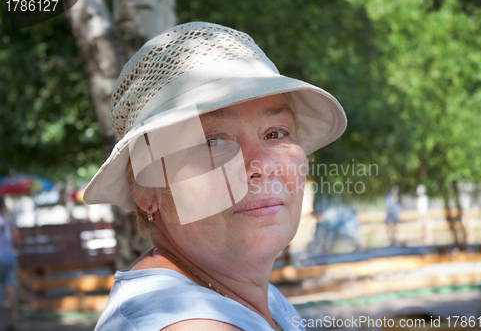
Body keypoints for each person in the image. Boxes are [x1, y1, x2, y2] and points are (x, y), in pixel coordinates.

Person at [84, 22, 346, 331]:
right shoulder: (190, 323)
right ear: (145, 187)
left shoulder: (253, 300)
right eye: (213, 142)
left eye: (276, 133)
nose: (261, 164)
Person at [0, 197, 20, 330]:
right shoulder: (8, 221)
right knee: (11, 288)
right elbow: (17, 240)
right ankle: (14, 321)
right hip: (10, 257)